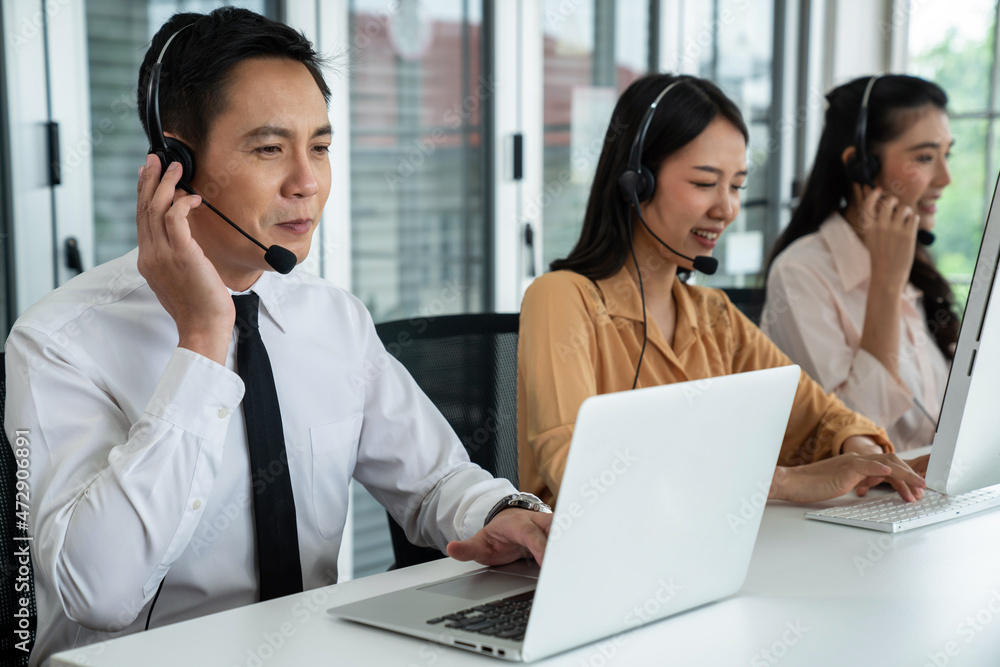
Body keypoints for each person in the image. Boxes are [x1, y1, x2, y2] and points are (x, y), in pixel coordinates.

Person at [3, 9, 549, 664]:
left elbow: (434, 480)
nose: (307, 181)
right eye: (269, 148)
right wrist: (202, 340)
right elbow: (96, 592)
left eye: (318, 146)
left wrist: (498, 512)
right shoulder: (59, 342)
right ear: (178, 163)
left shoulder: (332, 318)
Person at [517, 73, 927, 509]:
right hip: (588, 564)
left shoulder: (714, 315)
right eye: (704, 183)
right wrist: (782, 482)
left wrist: (866, 459)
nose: (726, 209)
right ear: (636, 182)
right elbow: (583, 471)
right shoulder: (561, 298)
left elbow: (822, 419)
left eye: (736, 186)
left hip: (705, 552)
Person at [762, 75, 957, 456]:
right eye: (924, 157)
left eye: (946, 155)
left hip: (927, 501)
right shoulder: (800, 273)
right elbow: (853, 439)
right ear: (861, 167)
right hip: (856, 509)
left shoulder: (915, 263)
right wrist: (885, 285)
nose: (945, 178)